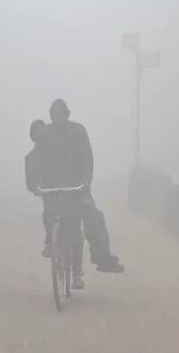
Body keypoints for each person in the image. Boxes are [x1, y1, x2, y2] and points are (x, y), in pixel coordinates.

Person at [36, 99, 124, 273]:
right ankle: (52, 242)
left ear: (67, 114)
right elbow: (37, 160)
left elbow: (87, 158)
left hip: (77, 189)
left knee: (94, 218)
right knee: (50, 214)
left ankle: (102, 259)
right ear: (51, 115)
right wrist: (37, 184)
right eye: (55, 114)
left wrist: (86, 182)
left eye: (62, 114)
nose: (59, 118)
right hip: (53, 189)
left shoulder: (78, 131)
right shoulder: (45, 134)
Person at [26, 119, 86, 289]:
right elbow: (30, 179)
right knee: (49, 215)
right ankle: (51, 241)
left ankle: (76, 275)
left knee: (76, 233)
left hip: (71, 193)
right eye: (37, 137)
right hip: (50, 194)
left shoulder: (63, 150)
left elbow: (78, 167)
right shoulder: (32, 158)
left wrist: (80, 185)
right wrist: (35, 188)